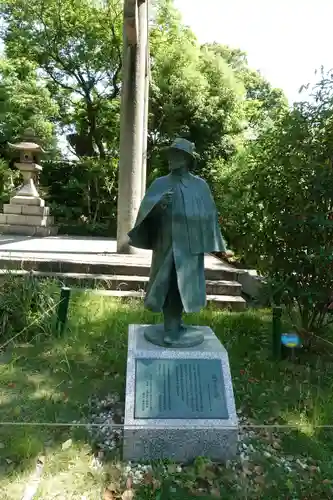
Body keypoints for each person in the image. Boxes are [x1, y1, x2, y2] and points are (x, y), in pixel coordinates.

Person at [128, 138, 230, 347]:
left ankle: (176, 323)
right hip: (166, 244)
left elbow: (209, 214)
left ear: (186, 159)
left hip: (190, 247)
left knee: (185, 286)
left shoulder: (200, 186)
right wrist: (158, 206)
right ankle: (170, 326)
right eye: (170, 154)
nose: (170, 159)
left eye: (175, 155)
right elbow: (144, 215)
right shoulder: (160, 183)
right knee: (166, 284)